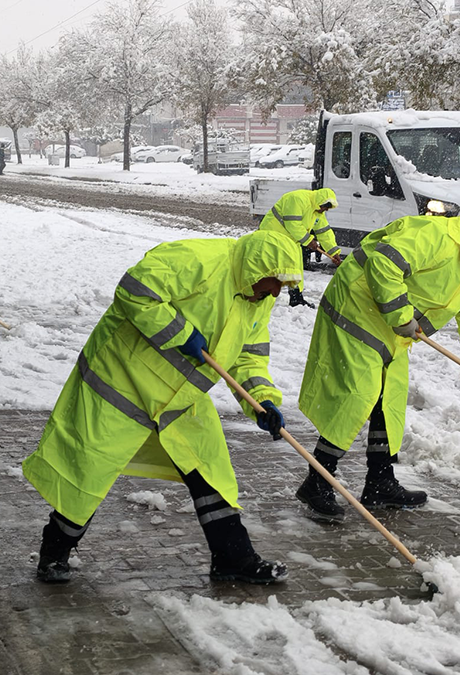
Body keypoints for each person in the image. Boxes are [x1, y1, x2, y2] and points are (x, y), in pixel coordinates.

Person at [21, 230, 304, 585]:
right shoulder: (199, 259)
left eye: (283, 285)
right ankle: (54, 553)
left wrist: (262, 400)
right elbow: (135, 290)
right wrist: (180, 333)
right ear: (256, 269)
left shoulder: (256, 297)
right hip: (122, 383)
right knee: (89, 473)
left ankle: (234, 558)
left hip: (180, 398)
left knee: (209, 472)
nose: (277, 292)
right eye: (274, 282)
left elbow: (248, 355)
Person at [294, 210, 460, 521]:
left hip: (390, 328)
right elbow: (384, 264)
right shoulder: (434, 236)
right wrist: (400, 314)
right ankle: (317, 482)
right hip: (355, 310)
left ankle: (379, 482)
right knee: (356, 397)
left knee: (388, 399)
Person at [258, 188, 342, 308]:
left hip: (291, 240)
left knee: (294, 268)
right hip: (272, 236)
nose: (326, 210)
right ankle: (257, 292)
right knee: (271, 266)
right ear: (320, 202)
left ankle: (296, 298)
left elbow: (324, 232)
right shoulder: (297, 199)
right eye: (325, 207)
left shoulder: (317, 212)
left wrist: (333, 252)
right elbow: (293, 224)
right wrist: (308, 241)